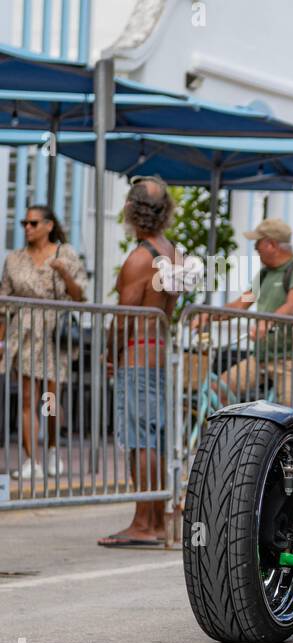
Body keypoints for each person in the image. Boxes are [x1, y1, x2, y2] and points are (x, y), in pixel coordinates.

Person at [100, 176, 183, 548]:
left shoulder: (138, 259)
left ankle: (143, 523)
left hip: (138, 352)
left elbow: (123, 318)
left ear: (131, 211)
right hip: (160, 351)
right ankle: (155, 520)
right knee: (154, 437)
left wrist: (110, 353)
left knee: (141, 439)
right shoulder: (174, 253)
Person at [0, 205, 88, 480]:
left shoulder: (66, 254)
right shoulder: (14, 259)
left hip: (52, 334)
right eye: (25, 222)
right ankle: (30, 459)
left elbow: (79, 296)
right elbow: (3, 303)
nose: (27, 227)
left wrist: (64, 273)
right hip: (23, 333)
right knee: (27, 397)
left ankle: (52, 449)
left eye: (33, 223)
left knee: (49, 399)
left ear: (49, 225)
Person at [205, 218, 293, 409]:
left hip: (292, 359)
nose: (255, 248)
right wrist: (208, 316)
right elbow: (242, 304)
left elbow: (292, 305)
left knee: (290, 413)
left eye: (258, 243)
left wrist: (266, 324)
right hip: (262, 356)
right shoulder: (265, 274)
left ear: (271, 244)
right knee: (218, 389)